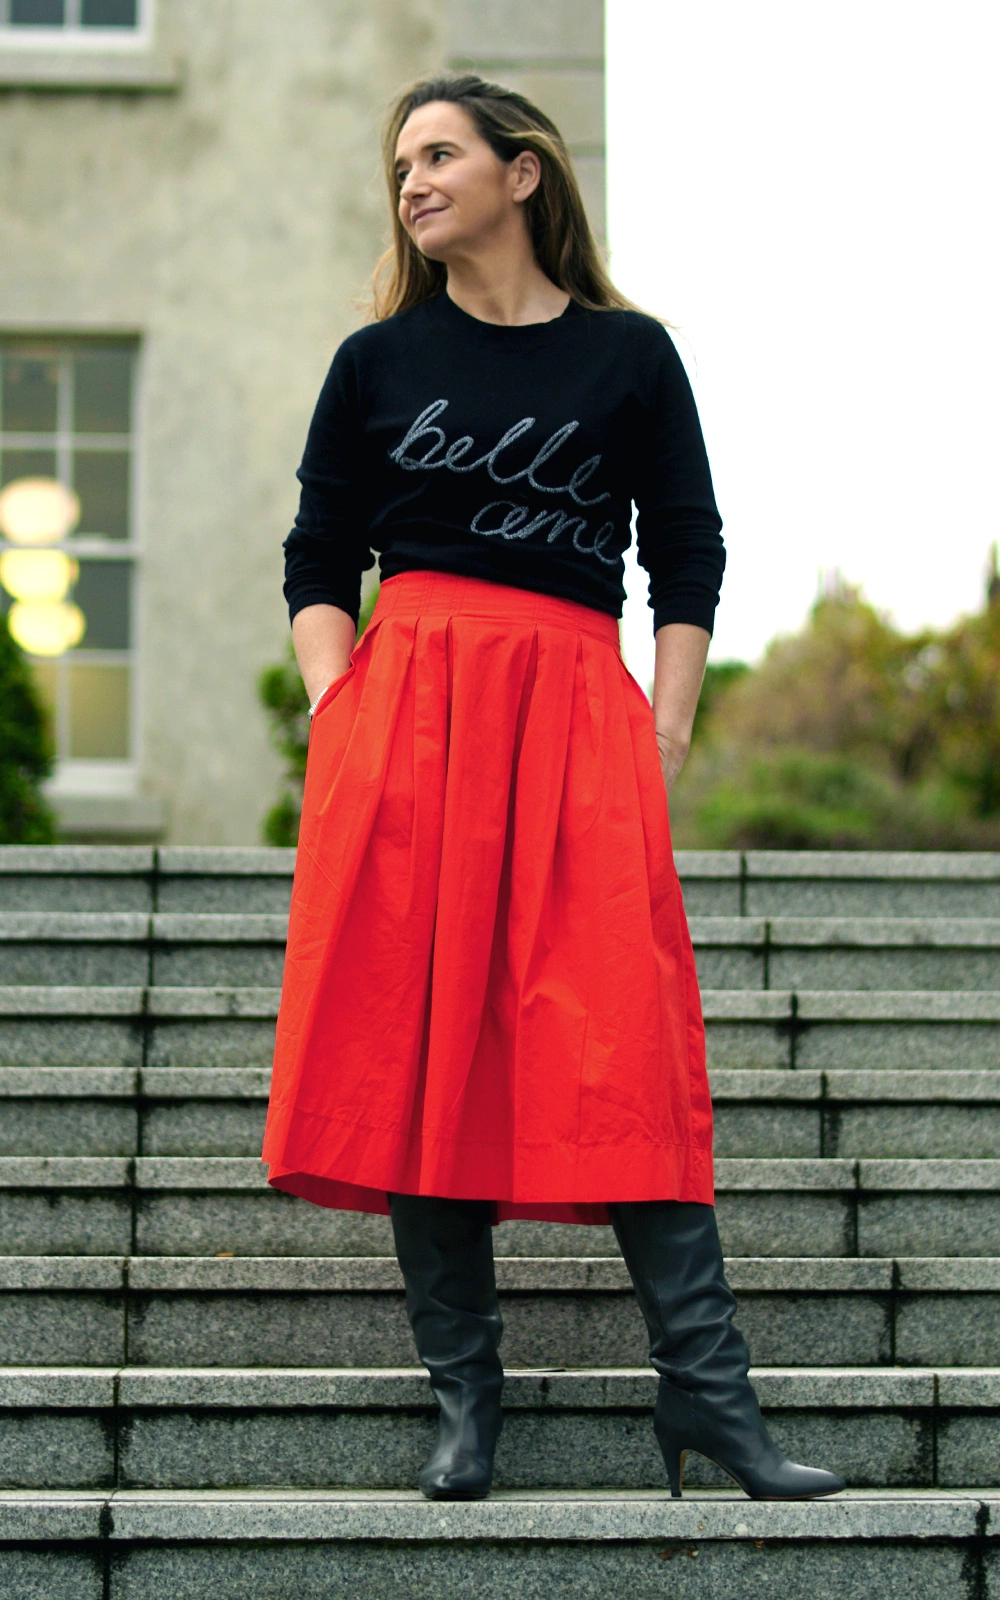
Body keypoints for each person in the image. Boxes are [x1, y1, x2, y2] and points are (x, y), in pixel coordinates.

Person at [262, 73, 844, 1505]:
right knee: (424, 1037)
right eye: (401, 163)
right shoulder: (376, 361)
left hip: (581, 709)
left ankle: (708, 1393)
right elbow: (319, 553)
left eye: (439, 153)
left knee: (621, 1038)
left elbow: (689, 551)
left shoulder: (630, 356)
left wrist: (665, 732)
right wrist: (342, 709)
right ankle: (466, 1401)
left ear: (523, 172)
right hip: (413, 716)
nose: (412, 180)